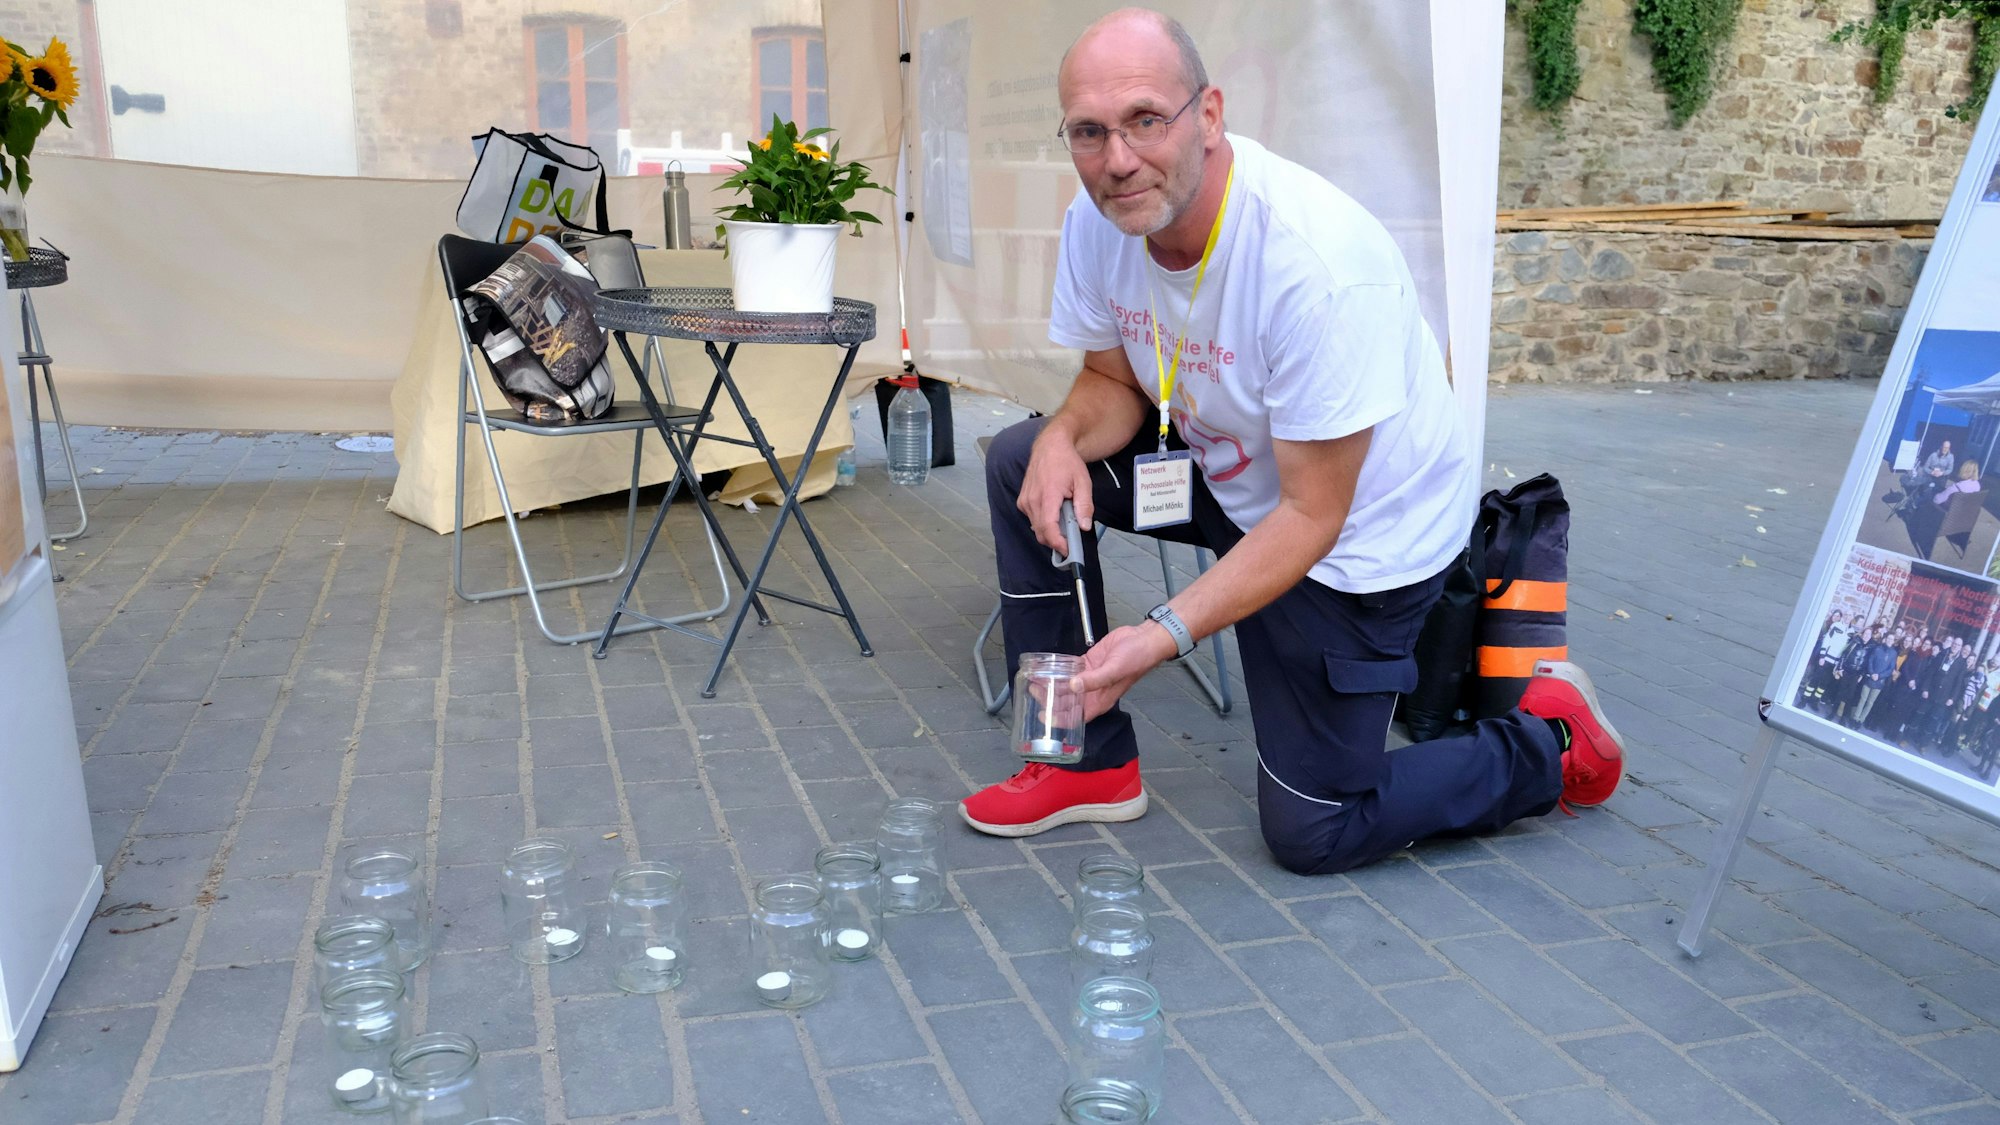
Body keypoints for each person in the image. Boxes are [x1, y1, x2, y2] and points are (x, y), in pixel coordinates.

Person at [961, 8, 1625, 875]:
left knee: (1316, 829)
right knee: (1023, 458)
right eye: (1089, 132)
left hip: (1357, 542)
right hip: (1230, 473)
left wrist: (1160, 633)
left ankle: (1550, 741)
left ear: (1208, 115)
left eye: (1145, 120)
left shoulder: (1313, 264)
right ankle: (1082, 759)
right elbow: (1112, 383)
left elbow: (1314, 514)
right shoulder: (1103, 222)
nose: (1117, 159)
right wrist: (1061, 436)